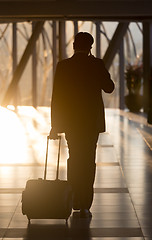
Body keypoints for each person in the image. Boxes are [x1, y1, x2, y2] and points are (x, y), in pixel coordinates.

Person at [49, 32, 115, 218]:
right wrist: (100, 68)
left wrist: (56, 125)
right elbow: (109, 87)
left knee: (74, 157)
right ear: (90, 47)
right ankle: (86, 201)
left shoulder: (63, 66)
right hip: (91, 123)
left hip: (71, 122)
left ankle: (75, 198)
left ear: (74, 45)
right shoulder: (96, 64)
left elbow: (57, 98)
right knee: (88, 159)